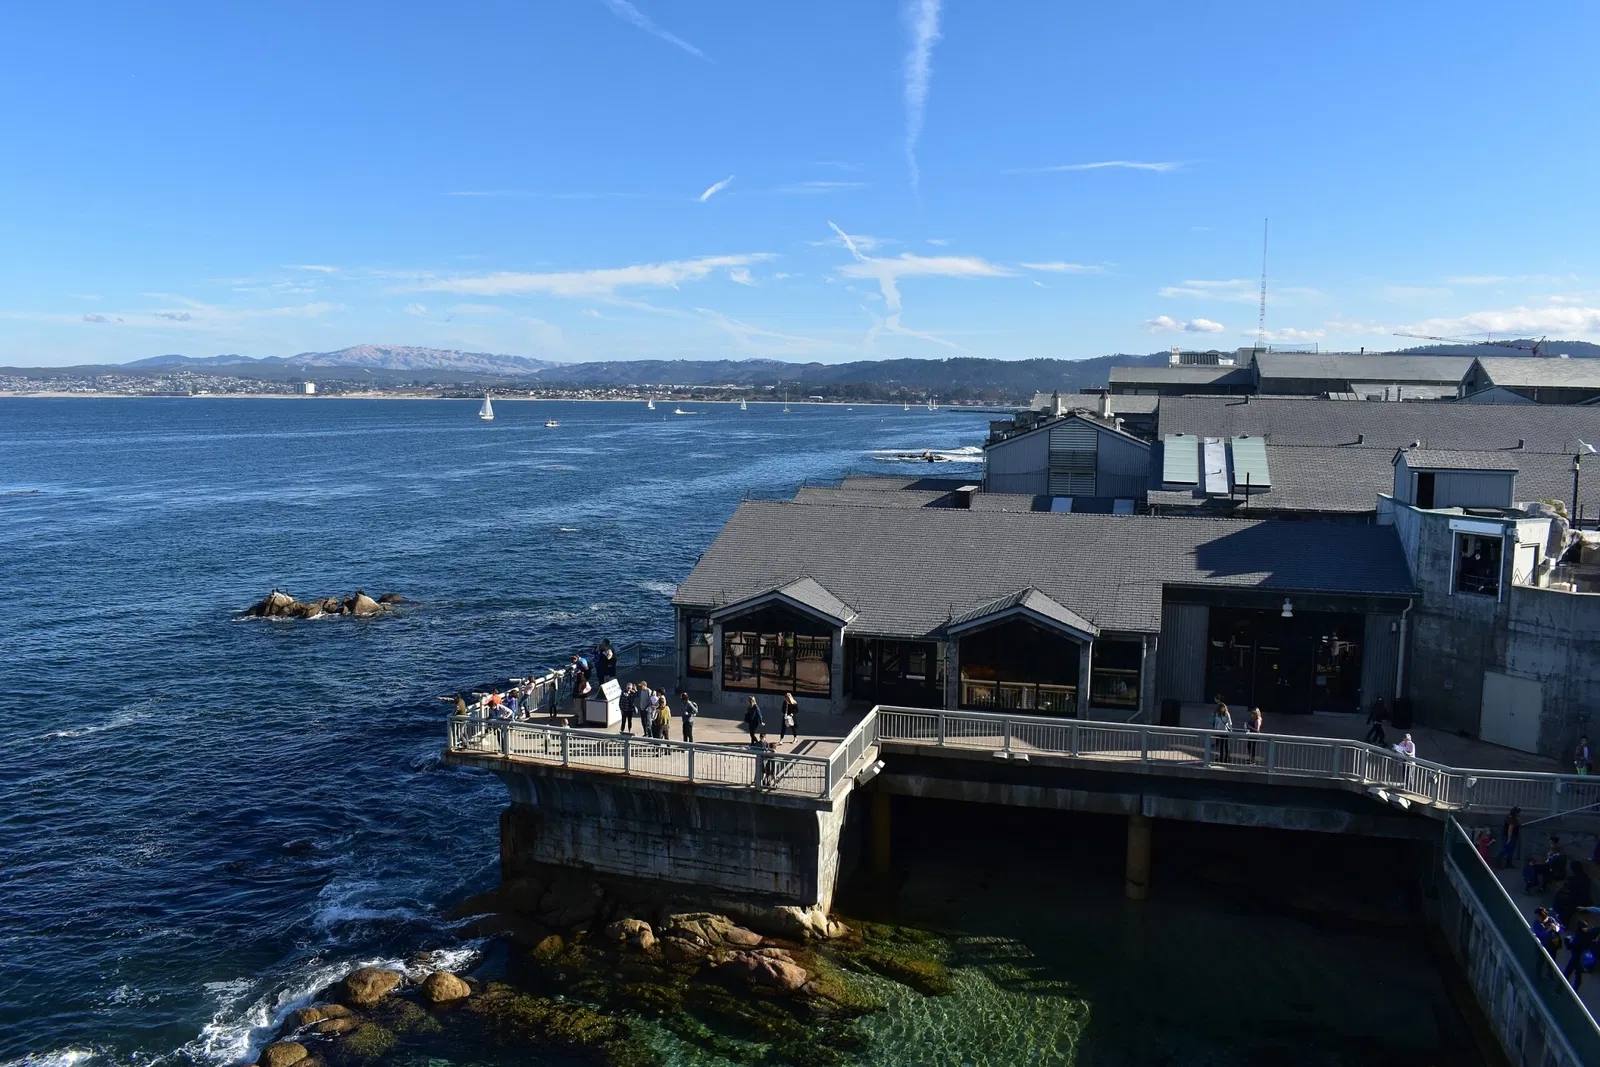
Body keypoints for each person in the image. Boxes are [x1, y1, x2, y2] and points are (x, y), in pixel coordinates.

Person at [1564, 920, 1597, 989]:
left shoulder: (1578, 936)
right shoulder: (1589, 935)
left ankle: (1560, 988)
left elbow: (1571, 947)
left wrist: (1567, 943)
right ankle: (1575, 990)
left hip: (1575, 957)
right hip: (1582, 958)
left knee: (1567, 973)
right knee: (1578, 975)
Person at [1210, 696, 1233, 764]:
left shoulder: (1226, 714)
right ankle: (1221, 757)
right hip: (1220, 731)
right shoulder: (1218, 714)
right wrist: (1215, 730)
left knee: (1225, 745)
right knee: (1221, 745)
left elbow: (1230, 723)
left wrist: (1230, 731)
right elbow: (1216, 722)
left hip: (1225, 731)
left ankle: (1226, 758)